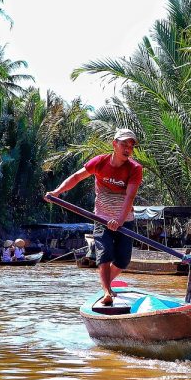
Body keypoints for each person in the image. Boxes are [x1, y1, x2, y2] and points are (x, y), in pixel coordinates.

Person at [46, 128, 143, 305]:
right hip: (101, 218)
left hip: (125, 220)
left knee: (123, 260)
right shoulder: (100, 162)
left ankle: (105, 284)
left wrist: (119, 221)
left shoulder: (135, 169)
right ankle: (107, 291)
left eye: (131, 145)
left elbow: (129, 197)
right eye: (124, 144)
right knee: (104, 253)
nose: (127, 149)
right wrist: (57, 192)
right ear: (114, 144)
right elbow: (76, 177)